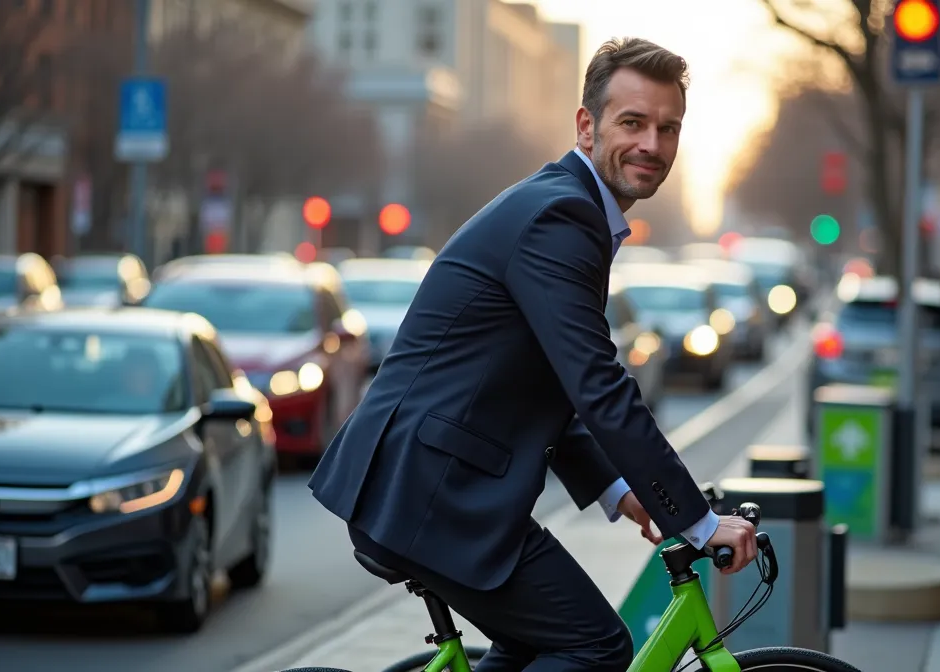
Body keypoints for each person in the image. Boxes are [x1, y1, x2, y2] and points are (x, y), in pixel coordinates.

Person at [308, 38, 757, 672]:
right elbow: (598, 386)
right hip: (433, 493)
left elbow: (554, 384)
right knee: (597, 648)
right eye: (632, 122)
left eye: (668, 128)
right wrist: (698, 522)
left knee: (536, 645)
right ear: (586, 125)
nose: (652, 144)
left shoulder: (566, 206)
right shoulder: (563, 217)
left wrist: (625, 492)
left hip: (431, 485)